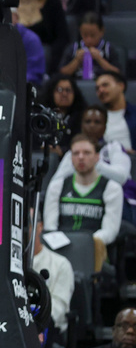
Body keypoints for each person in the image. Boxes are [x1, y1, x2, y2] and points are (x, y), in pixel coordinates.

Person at [45, 134, 124, 274]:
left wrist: (82, 244)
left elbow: (110, 231)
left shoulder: (112, 188)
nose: (81, 157)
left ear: (97, 157)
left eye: (87, 153)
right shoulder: (57, 186)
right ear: (70, 158)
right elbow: (50, 226)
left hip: (94, 251)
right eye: (76, 153)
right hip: (61, 249)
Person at [52, 105, 131, 186]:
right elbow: (55, 183)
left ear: (105, 126)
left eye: (97, 122)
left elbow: (122, 177)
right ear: (81, 126)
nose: (92, 125)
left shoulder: (114, 147)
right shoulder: (74, 152)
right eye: (88, 121)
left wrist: (94, 163)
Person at [14, 0, 70, 69]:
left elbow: (62, 38)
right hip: (14, 58)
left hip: (46, 61)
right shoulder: (9, 4)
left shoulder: (53, 4)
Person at [59, 12, 125, 78]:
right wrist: (77, 60)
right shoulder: (73, 48)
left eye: (93, 35)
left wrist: (100, 59)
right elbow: (62, 74)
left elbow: (118, 74)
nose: (89, 40)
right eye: (85, 35)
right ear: (80, 31)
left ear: (102, 31)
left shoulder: (108, 49)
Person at [95, 71, 136, 151]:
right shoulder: (95, 117)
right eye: (97, 88)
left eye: (105, 85)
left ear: (121, 86)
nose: (101, 90)